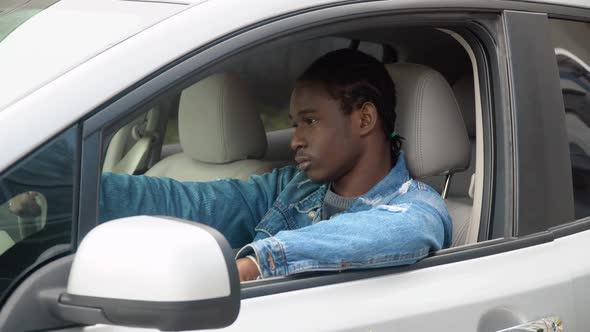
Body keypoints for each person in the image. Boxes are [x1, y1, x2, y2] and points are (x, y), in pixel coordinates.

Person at [100, 49, 452, 281]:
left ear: (364, 119)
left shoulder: (417, 207)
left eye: (310, 121)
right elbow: (191, 203)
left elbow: (395, 230)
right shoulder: (293, 187)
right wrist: (85, 193)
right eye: (294, 123)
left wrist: (254, 265)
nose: (296, 139)